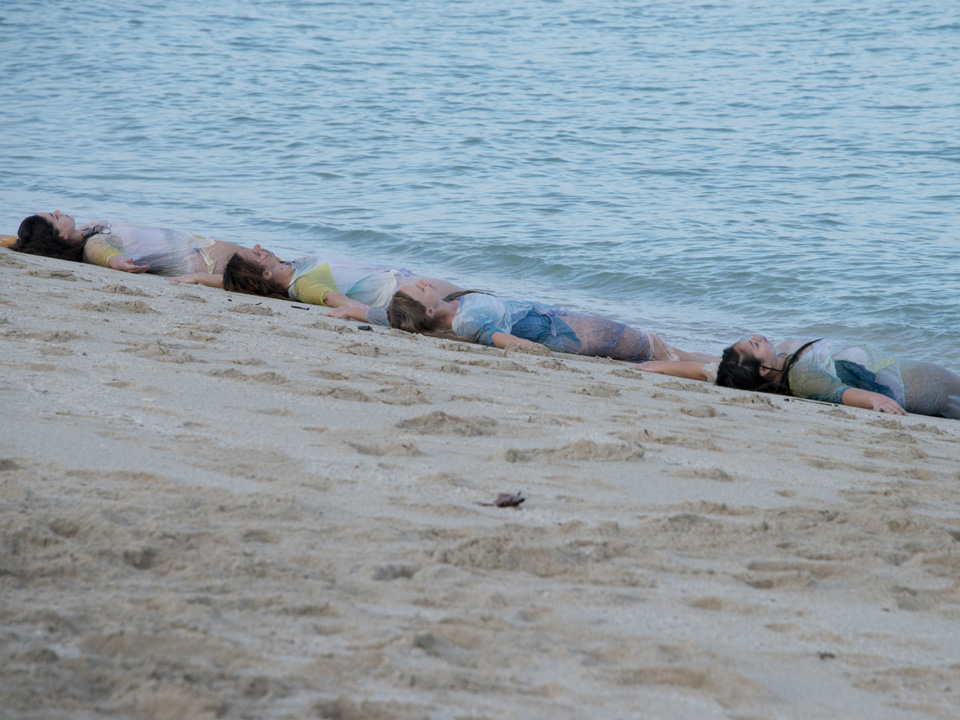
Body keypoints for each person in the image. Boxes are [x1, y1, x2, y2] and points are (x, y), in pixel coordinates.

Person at [387, 280, 716, 363]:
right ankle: (719, 368)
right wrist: (532, 350)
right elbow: (499, 339)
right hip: (575, 333)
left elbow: (382, 315)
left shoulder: (448, 309)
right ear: (428, 312)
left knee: (659, 349)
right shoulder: (467, 323)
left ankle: (716, 362)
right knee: (655, 347)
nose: (425, 284)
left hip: (567, 325)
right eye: (421, 290)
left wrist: (357, 310)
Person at [636, 334, 960, 418]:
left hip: (919, 377)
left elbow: (712, 369)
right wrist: (875, 400)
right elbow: (840, 393)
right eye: (755, 344)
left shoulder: (757, 370)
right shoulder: (802, 376)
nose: (758, 337)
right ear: (763, 370)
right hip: (927, 388)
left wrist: (658, 365)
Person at [220, 245, 464, 325]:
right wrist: (355, 309)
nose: (259, 248)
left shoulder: (293, 266)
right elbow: (330, 297)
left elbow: (233, 281)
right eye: (257, 254)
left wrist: (203, 278)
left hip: (408, 281)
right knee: (470, 307)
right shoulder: (303, 284)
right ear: (265, 274)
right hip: (409, 292)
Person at [13, 211, 246, 286]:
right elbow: (105, 255)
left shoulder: (86, 230)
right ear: (60, 236)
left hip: (204, 246)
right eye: (55, 217)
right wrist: (120, 263)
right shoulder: (92, 244)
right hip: (207, 261)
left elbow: (21, 242)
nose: (58, 211)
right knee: (263, 271)